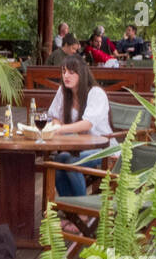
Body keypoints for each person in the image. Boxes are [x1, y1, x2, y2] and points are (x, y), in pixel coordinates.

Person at [43, 55, 115, 200]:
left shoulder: (95, 93)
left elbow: (87, 123)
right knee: (57, 161)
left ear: (81, 73)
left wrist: (59, 130)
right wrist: (56, 125)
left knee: (72, 162)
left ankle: (82, 213)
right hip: (80, 148)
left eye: (71, 72)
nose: (66, 76)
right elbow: (54, 117)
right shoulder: (63, 91)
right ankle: (72, 213)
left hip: (105, 149)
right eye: (64, 72)